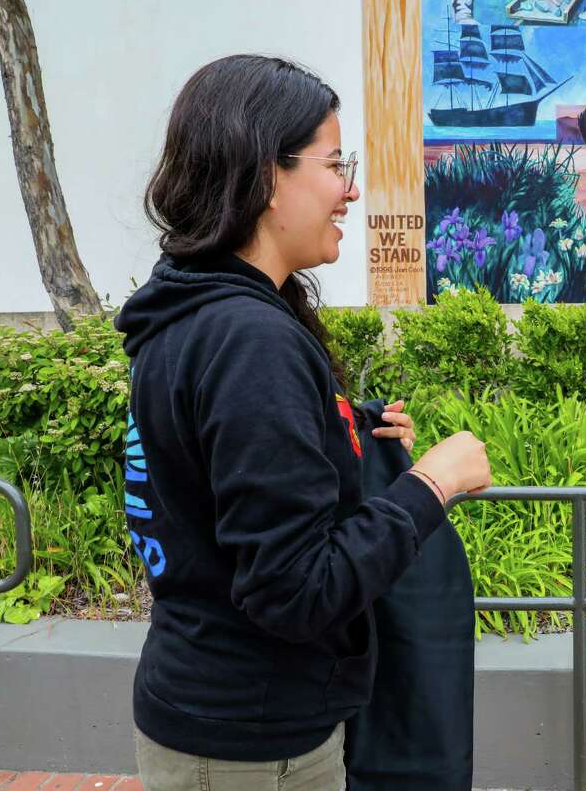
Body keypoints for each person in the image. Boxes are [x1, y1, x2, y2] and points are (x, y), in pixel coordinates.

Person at [115, 54, 490, 791]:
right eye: (334, 162)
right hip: (254, 744)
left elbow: (205, 477)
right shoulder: (249, 340)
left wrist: (345, 431)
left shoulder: (190, 312)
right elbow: (293, 589)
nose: (352, 189)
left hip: (203, 704)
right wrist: (429, 486)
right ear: (265, 176)